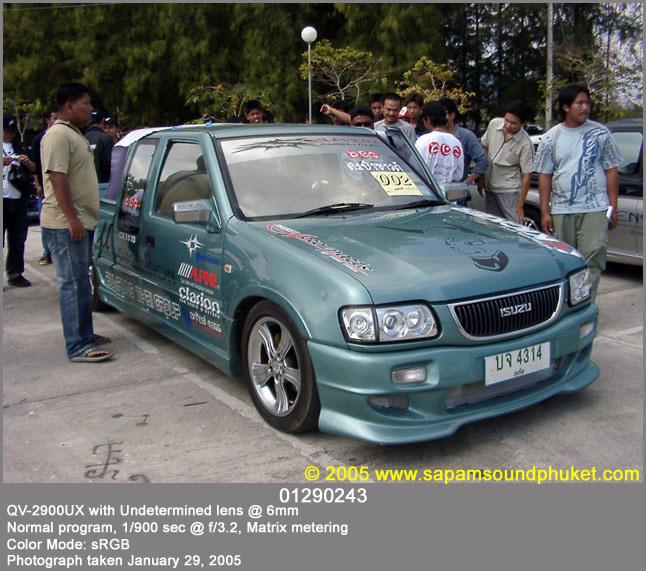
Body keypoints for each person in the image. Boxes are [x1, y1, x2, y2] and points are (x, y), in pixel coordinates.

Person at [41, 82, 114, 362]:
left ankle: (85, 334)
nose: (90, 109)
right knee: (72, 284)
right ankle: (77, 345)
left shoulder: (73, 133)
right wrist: (72, 219)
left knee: (82, 283)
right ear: (69, 106)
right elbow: (57, 178)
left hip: (80, 221)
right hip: (66, 225)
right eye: (85, 104)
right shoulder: (58, 135)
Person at [534, 84, 622, 300]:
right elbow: (545, 175)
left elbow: (611, 170)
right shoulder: (551, 137)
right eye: (579, 103)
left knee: (592, 259)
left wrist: (613, 207)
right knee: (565, 262)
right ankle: (568, 306)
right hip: (562, 209)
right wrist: (545, 212)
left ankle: (587, 305)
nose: (585, 108)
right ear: (566, 107)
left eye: (587, 103)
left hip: (595, 208)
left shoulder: (601, 134)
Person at [480, 100, 533, 222]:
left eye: (513, 123)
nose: (508, 125)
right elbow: (485, 147)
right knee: (492, 224)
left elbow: (527, 175)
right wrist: (482, 176)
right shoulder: (494, 124)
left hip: (509, 189)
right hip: (490, 186)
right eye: (506, 120)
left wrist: (520, 205)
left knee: (513, 224)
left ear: (523, 123)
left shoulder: (525, 143)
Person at [3, 114, 36, 287]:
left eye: (11, 131)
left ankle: (15, 273)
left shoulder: (20, 146)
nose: (9, 135)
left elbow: (34, 168)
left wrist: (26, 162)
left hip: (18, 197)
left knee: (17, 239)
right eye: (6, 131)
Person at [30, 105, 58, 265]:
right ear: (47, 120)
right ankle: (47, 252)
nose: (57, 121)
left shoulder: (61, 137)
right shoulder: (39, 139)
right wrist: (37, 184)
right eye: (54, 118)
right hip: (45, 186)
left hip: (59, 185)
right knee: (46, 221)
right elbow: (35, 165)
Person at [440, 98, 488, 187]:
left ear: (452, 115)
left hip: (456, 188)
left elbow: (482, 160)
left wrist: (465, 184)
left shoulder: (466, 136)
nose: (440, 117)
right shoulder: (433, 136)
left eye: (444, 114)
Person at [415, 101, 464, 183]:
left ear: (428, 119)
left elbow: (416, 169)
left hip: (426, 188)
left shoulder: (423, 140)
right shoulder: (456, 143)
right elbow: (458, 175)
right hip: (448, 189)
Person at [84, 109, 114, 183]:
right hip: (104, 185)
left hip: (85, 185)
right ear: (103, 121)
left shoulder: (81, 139)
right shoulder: (106, 139)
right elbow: (113, 164)